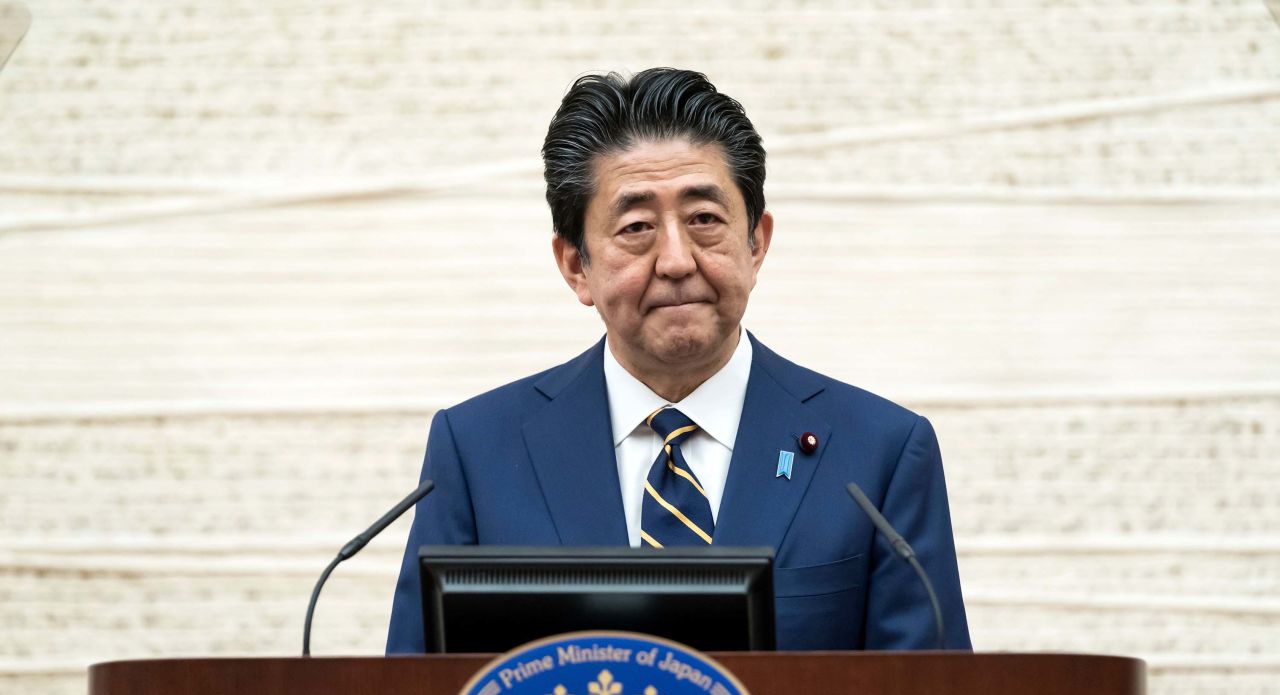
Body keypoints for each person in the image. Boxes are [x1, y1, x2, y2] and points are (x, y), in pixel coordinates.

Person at [387, 68, 970, 652]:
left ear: (756, 242)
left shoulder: (879, 454)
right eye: (637, 227)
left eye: (704, 221)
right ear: (575, 265)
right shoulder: (479, 451)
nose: (675, 260)